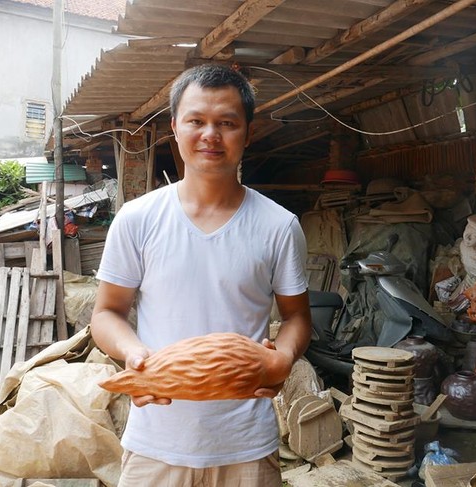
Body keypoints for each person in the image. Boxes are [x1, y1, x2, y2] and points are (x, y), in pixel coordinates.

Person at [90, 64, 312, 487]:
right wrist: (135, 355)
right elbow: (107, 313)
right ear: (175, 126)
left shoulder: (279, 226)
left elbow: (297, 317)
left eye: (227, 123)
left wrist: (282, 359)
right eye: (196, 121)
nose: (210, 134)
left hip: (246, 447)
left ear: (248, 133)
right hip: (156, 444)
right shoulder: (137, 219)